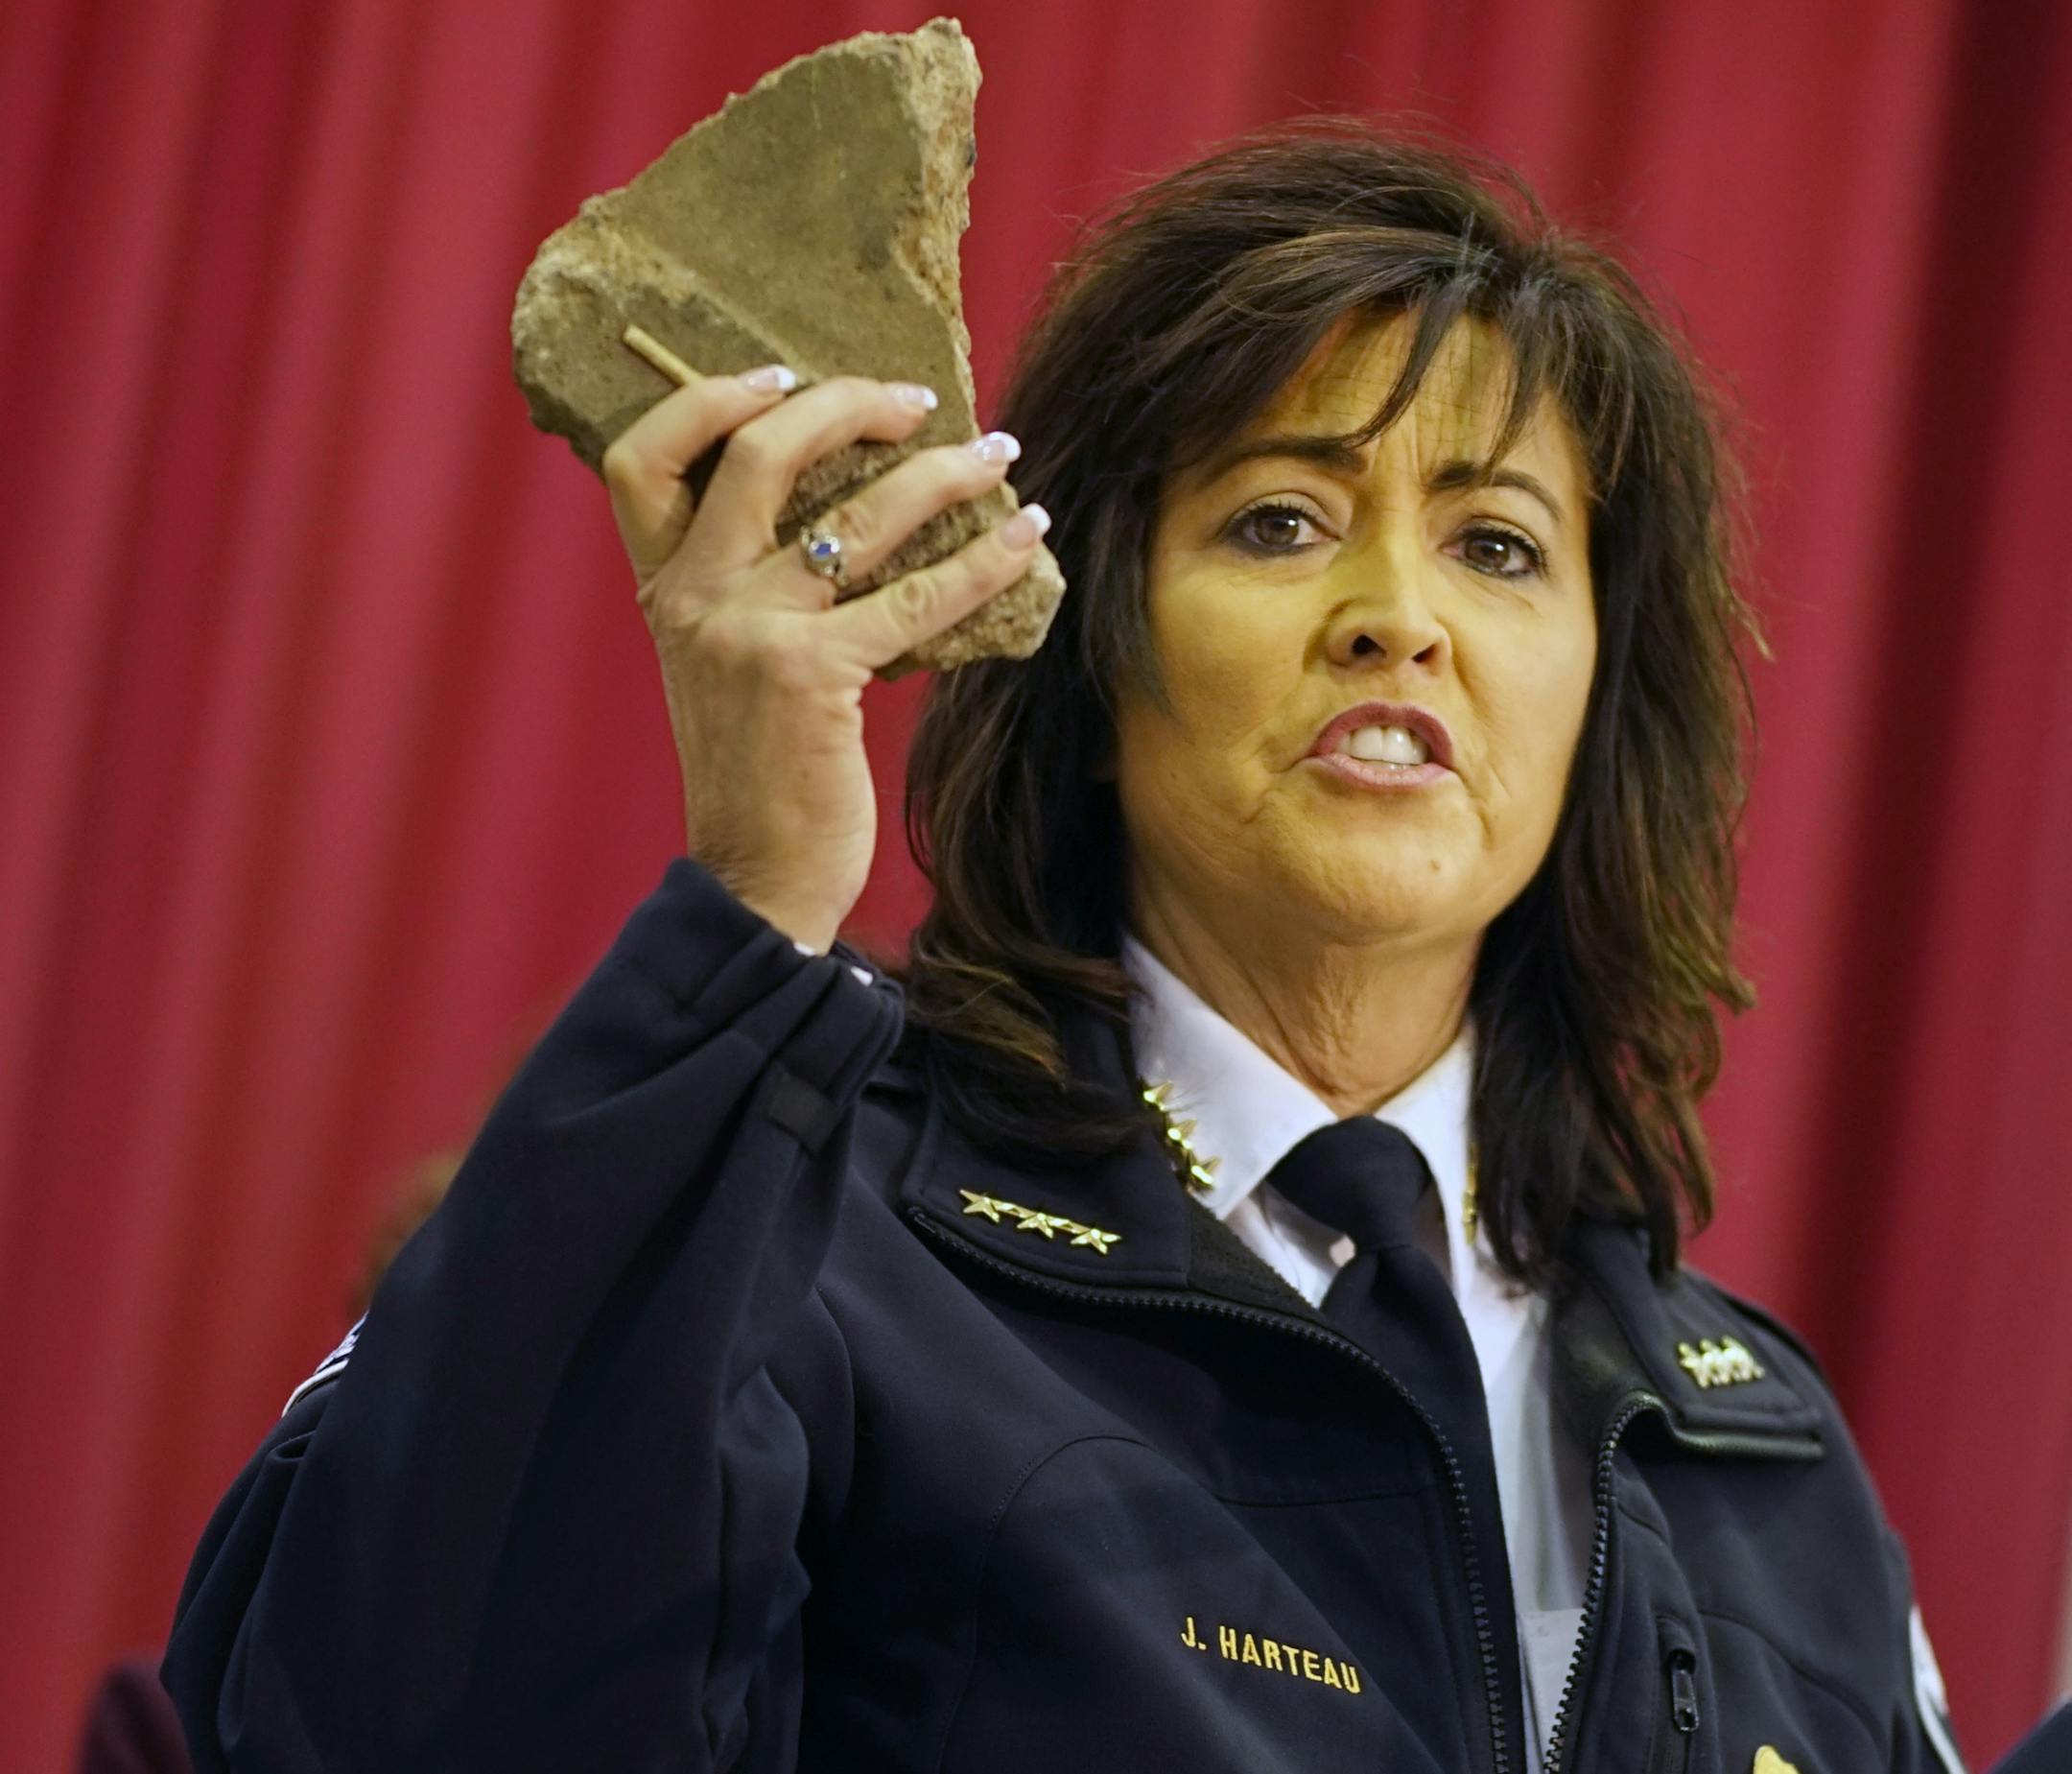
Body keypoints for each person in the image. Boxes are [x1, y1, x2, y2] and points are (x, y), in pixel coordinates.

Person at [162, 122, 1966, 1773]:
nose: (1399, 619)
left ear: (1594, 695)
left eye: (1498, 545)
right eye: (1282, 520)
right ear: (1095, 651)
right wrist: (754, 900)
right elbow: (366, 1709)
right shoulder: (799, 1213)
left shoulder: (1770, 1453)